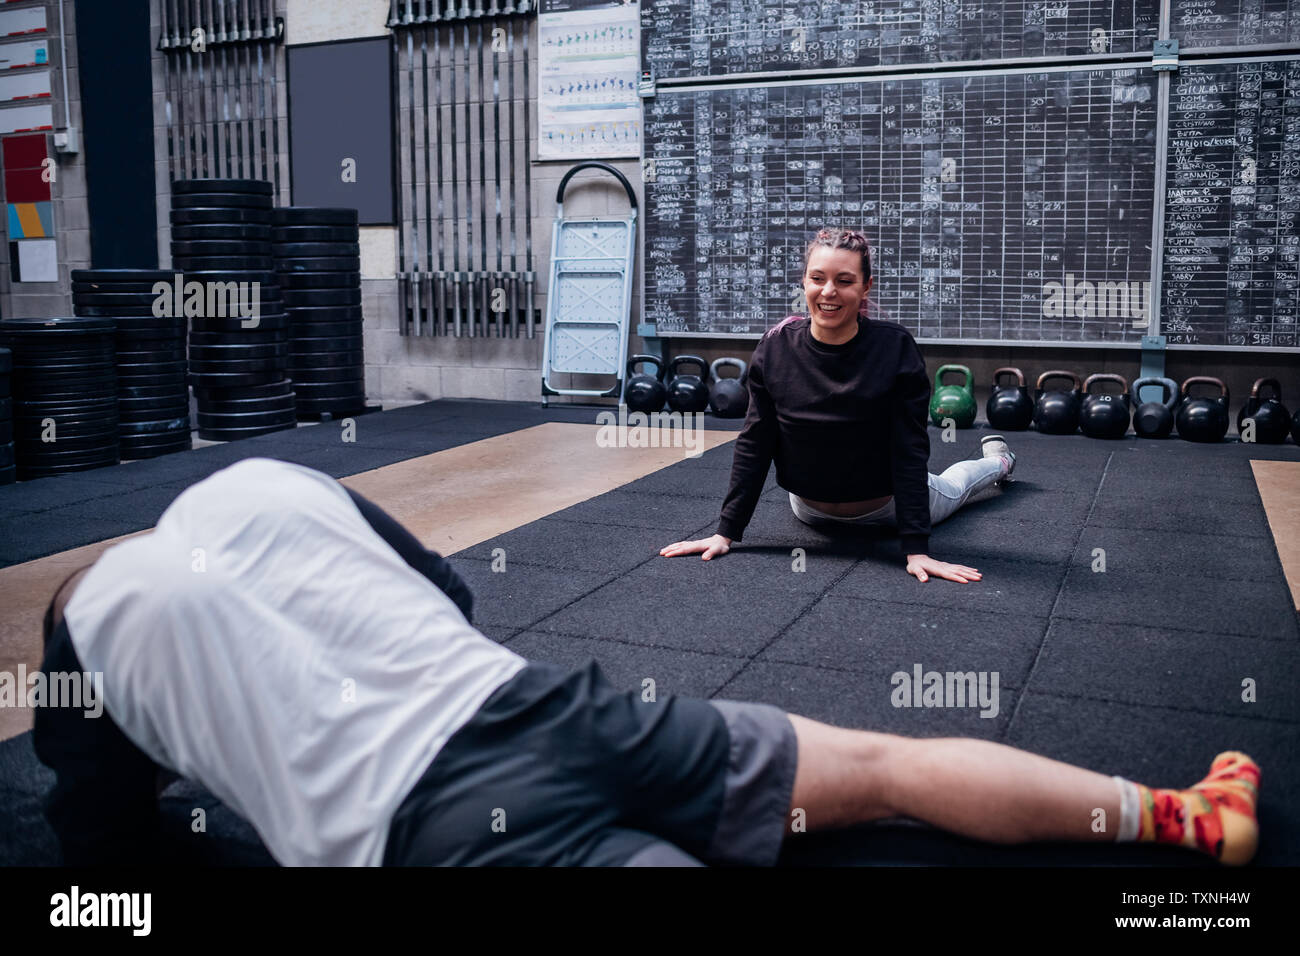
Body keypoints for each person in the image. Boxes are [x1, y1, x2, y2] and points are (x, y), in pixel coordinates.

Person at [35, 459, 1261, 866]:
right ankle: (1184, 817)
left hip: (434, 830)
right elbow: (446, 598)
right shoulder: (267, 483)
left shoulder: (83, 627)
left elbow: (102, 840)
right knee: (887, 760)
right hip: (558, 711)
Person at [661, 227, 1015, 584]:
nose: (828, 291)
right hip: (809, 510)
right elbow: (756, 442)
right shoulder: (775, 349)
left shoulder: (894, 349)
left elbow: (908, 448)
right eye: (818, 278)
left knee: (956, 484)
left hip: (886, 508)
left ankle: (998, 462)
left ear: (866, 286)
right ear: (804, 282)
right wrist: (725, 533)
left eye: (844, 281)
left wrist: (916, 548)